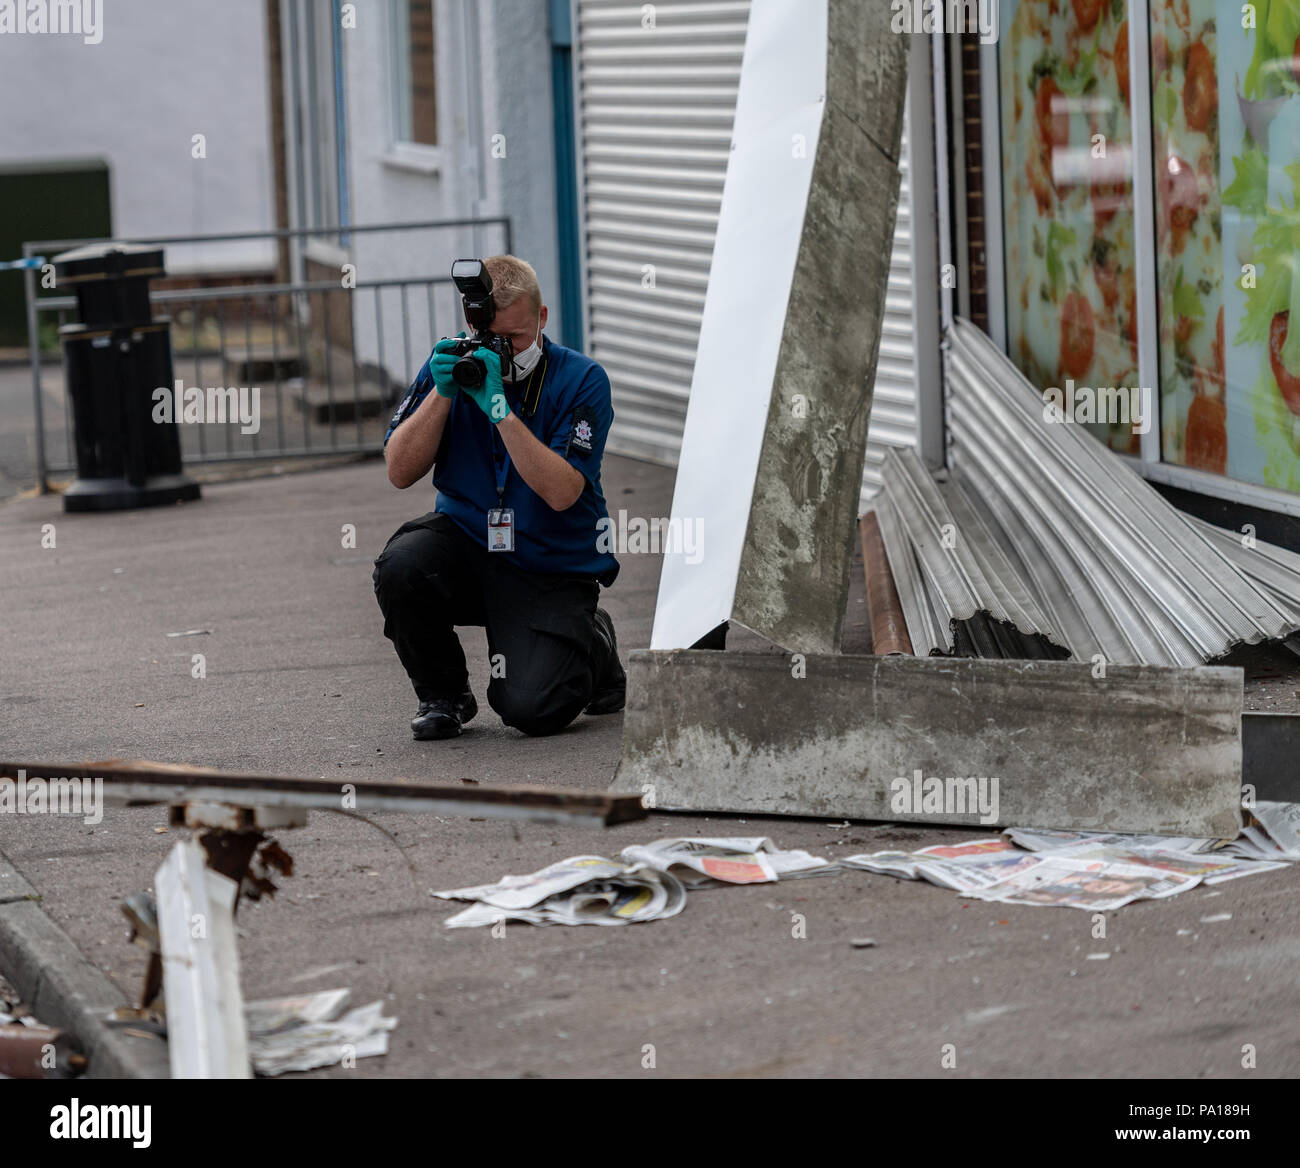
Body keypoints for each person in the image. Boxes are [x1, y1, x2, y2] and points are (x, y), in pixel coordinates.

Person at [373, 255, 625, 740]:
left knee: (533, 711)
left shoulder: (582, 379)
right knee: (403, 565)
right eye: (494, 340)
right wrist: (443, 394)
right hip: (470, 543)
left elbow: (561, 492)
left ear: (543, 318)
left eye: (516, 339)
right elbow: (400, 471)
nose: (505, 352)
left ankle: (592, 640)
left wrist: (499, 409)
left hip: (550, 562)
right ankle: (443, 696)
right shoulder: (449, 364)